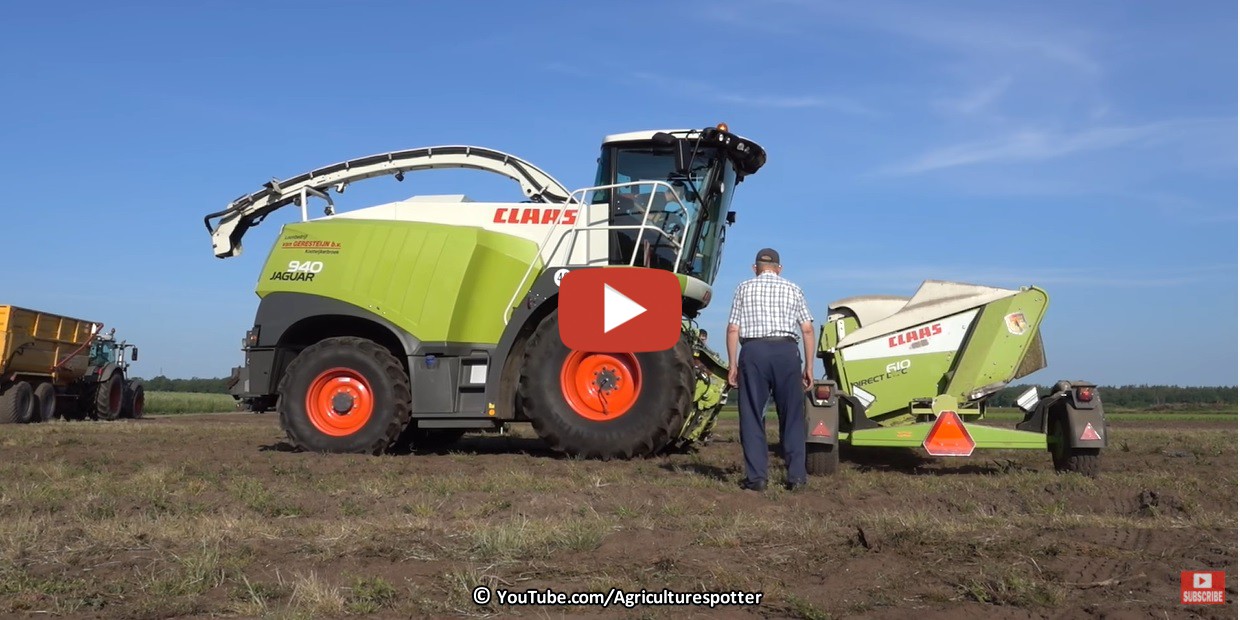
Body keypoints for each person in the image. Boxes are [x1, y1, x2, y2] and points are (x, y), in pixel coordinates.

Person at [725, 248, 815, 492]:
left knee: (753, 415)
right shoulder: (794, 289)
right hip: (787, 352)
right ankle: (796, 477)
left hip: (754, 352)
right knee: (793, 417)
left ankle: (757, 479)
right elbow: (807, 329)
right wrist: (809, 366)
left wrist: (732, 364)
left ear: (754, 269)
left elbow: (733, 328)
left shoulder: (743, 288)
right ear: (779, 268)